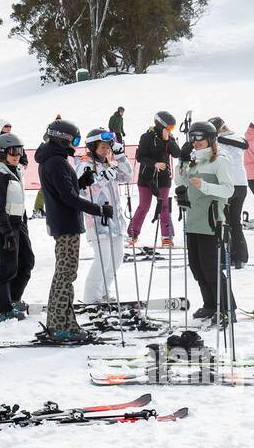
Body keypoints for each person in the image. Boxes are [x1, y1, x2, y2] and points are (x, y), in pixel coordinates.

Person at [36, 120, 112, 340]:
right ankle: (61, 326)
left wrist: (81, 182)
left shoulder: (53, 160)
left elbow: (64, 190)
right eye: (74, 140)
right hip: (66, 224)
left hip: (63, 222)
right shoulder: (56, 162)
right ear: (62, 139)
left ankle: (60, 322)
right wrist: (99, 209)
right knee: (66, 274)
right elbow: (67, 198)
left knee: (64, 273)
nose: (75, 145)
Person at [176, 120, 236, 321]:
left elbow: (228, 190)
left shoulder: (220, 159)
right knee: (196, 266)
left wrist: (204, 186)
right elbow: (181, 182)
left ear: (210, 138)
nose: (195, 141)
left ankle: (227, 309)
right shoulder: (194, 159)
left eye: (200, 137)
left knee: (211, 267)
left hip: (211, 220)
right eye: (192, 137)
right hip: (193, 218)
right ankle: (210, 304)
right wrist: (181, 163)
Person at [78, 131, 133, 303]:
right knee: (103, 260)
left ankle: (103, 292)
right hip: (98, 220)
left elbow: (128, 175)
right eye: (102, 147)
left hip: (115, 220)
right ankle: (91, 298)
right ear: (93, 147)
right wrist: (101, 179)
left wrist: (121, 156)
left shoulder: (109, 164)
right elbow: (82, 190)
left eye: (108, 147)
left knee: (116, 260)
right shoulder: (84, 164)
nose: (106, 150)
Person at [0, 131, 33, 321]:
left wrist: (24, 225)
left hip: (18, 223)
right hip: (3, 225)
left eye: (20, 151)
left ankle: (13, 299)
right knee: (7, 267)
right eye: (13, 151)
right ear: (2, 152)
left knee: (26, 262)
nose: (18, 155)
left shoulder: (15, 170)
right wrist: (6, 232)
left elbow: (19, 201)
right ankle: (2, 308)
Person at [128, 111, 182, 248]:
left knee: (164, 206)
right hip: (147, 177)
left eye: (172, 128)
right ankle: (132, 234)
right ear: (160, 125)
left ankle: (167, 237)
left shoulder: (169, 138)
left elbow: (177, 154)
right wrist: (155, 164)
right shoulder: (147, 137)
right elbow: (140, 157)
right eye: (169, 127)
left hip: (163, 178)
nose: (170, 130)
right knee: (144, 206)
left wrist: (168, 139)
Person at [210, 117, 250, 268]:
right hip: (242, 184)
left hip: (227, 185)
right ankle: (240, 257)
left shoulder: (216, 142)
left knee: (222, 222)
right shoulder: (237, 138)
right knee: (236, 222)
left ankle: (223, 258)